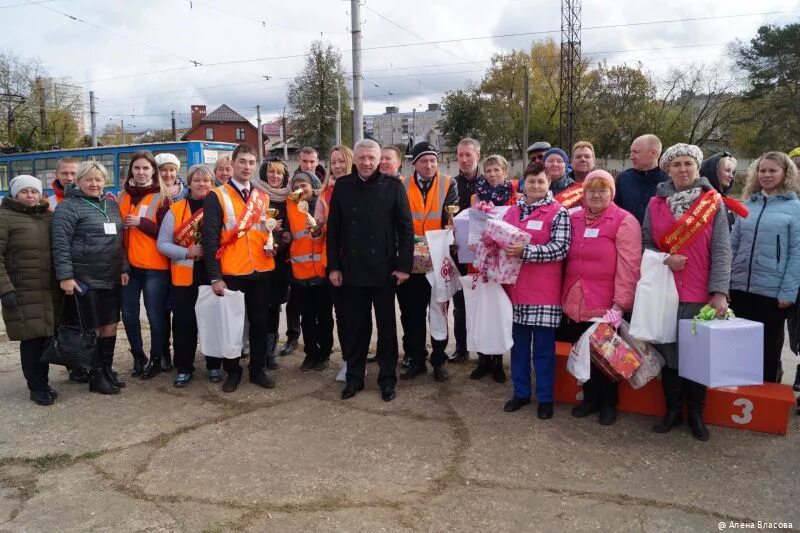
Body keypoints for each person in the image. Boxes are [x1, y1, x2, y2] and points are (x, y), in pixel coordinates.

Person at [642, 143, 731, 441]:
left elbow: (721, 249)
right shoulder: (655, 204)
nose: (682, 169)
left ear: (697, 168)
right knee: (671, 355)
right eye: (676, 164)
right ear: (667, 168)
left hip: (698, 291)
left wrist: (719, 291)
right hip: (666, 291)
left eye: (687, 164)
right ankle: (671, 412)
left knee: (696, 357)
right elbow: (646, 244)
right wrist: (664, 259)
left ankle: (695, 414)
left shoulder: (712, 201)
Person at [326, 139, 414, 402]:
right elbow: (334, 231)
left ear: (379, 160)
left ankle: (387, 378)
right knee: (356, 327)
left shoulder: (393, 187)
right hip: (352, 270)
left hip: (384, 270)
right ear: (356, 159)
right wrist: (334, 266)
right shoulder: (342, 186)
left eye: (371, 158)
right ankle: (354, 377)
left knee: (387, 328)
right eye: (361, 157)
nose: (366, 162)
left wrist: (403, 266)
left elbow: (405, 229)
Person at [561, 170, 642, 425]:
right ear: (583, 194)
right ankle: (589, 398)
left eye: (602, 189)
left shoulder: (624, 221)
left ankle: (609, 403)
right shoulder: (574, 219)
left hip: (606, 302)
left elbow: (630, 266)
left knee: (606, 357)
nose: (596, 195)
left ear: (612, 193)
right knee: (585, 353)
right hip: (575, 298)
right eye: (591, 190)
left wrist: (620, 304)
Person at [202, 143, 276, 393]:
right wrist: (215, 277)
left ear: (256, 167)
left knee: (259, 322)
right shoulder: (217, 195)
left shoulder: (262, 197)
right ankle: (232, 371)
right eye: (242, 161)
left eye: (251, 163)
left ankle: (257, 369)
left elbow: (265, 232)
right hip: (232, 272)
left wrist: (272, 243)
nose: (246, 167)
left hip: (261, 269)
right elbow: (210, 239)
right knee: (230, 325)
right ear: (232, 164)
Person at [52, 162, 129, 395]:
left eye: (98, 179)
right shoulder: (68, 208)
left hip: (111, 277)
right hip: (85, 279)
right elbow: (60, 244)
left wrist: (124, 268)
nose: (94, 184)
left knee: (110, 325)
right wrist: (65, 276)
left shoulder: (110, 204)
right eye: (89, 179)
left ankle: (105, 369)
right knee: (92, 328)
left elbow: (120, 241)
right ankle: (94, 375)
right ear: (79, 181)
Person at [502, 163, 571, 420]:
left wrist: (526, 252)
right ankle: (520, 393)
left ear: (548, 184)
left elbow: (560, 249)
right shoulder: (511, 212)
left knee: (542, 350)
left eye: (541, 182)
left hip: (544, 292)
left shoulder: (558, 212)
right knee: (518, 348)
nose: (536, 186)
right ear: (523, 184)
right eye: (531, 181)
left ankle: (545, 398)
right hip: (515, 290)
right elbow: (501, 240)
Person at [730, 152, 800, 384]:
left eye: (772, 170)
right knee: (738, 346)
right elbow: (732, 245)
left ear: (785, 173)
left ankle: (765, 396)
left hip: (772, 292)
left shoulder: (795, 209)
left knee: (768, 350)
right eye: (762, 170)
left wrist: (788, 293)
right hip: (740, 288)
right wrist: (724, 283)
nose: (766, 175)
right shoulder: (748, 204)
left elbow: (796, 255)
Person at [397, 141, 458, 383]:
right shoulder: (401, 185)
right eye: (424, 160)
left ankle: (439, 359)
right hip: (411, 261)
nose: (430, 164)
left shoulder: (447, 183)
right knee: (413, 313)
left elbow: (450, 216)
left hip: (438, 259)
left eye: (433, 160)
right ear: (414, 164)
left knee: (439, 312)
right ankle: (417, 359)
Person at [0, 175, 59, 405]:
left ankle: (42, 382)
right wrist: (5, 290)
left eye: (33, 192)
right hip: (22, 290)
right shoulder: (4, 218)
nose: (30, 196)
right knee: (31, 340)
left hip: (48, 290)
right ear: (15, 194)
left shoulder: (47, 217)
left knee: (46, 338)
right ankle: (36, 387)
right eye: (24, 192)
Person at [156, 164, 215, 387]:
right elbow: (162, 244)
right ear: (189, 183)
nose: (202, 184)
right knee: (184, 324)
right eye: (197, 180)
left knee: (212, 322)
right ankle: (184, 367)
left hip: (211, 273)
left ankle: (214, 364)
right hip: (184, 276)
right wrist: (187, 252)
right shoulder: (176, 209)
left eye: (206, 180)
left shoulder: (217, 206)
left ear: (212, 183)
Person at [467, 154, 521, 383]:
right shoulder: (475, 197)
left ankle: (498, 362)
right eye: (488, 170)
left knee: (499, 312)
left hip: (505, 262)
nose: (492, 174)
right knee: (482, 311)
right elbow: (471, 226)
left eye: (496, 170)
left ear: (505, 171)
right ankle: (483, 360)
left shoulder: (515, 197)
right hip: (481, 260)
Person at [117, 151, 171, 380]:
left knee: (155, 315)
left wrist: (142, 223)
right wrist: (121, 265)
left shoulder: (163, 197)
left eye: (145, 168)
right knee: (128, 314)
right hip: (129, 267)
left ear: (153, 172)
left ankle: (157, 358)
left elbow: (169, 234)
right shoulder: (121, 197)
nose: (140, 172)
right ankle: (138, 356)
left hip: (154, 266)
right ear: (131, 171)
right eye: (137, 168)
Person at [286, 171, 334, 371]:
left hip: (322, 273)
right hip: (300, 273)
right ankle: (310, 354)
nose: (300, 188)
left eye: (303, 184)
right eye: (296, 184)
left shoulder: (323, 204)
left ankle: (324, 354)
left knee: (324, 317)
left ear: (312, 186)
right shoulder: (289, 206)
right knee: (306, 317)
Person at [314, 146, 355, 377]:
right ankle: (348, 360)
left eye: (342, 161)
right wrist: (315, 230)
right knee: (342, 314)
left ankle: (359, 357)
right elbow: (319, 233)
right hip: (334, 261)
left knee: (357, 314)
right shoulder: (324, 194)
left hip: (358, 260)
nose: (337, 166)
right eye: (334, 162)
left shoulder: (361, 187)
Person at [280, 148, 321, 357]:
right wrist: (284, 234)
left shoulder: (320, 198)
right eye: (304, 161)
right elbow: (289, 227)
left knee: (319, 311)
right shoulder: (291, 196)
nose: (307, 164)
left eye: (311, 161)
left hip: (319, 265)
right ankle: (293, 337)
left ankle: (321, 347)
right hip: (296, 263)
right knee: (295, 305)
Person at [255, 157, 292, 370]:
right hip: (257, 261)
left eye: (279, 173)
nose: (275, 177)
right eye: (271, 172)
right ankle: (258, 348)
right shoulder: (255, 195)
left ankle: (270, 351)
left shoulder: (289, 199)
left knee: (273, 307)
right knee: (259, 307)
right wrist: (266, 228)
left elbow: (290, 231)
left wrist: (278, 243)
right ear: (264, 174)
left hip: (278, 263)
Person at [450, 137, 483, 365]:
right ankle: (461, 349)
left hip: (483, 257)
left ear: (477, 156)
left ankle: (484, 353)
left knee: (483, 305)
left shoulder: (490, 182)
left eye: (468, 155)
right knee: (459, 305)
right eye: (460, 155)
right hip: (458, 254)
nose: (463, 160)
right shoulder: (451, 184)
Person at [155, 152, 187, 373]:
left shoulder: (186, 194)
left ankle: (180, 354)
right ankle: (163, 352)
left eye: (172, 170)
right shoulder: (152, 195)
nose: (168, 174)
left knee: (180, 310)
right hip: (158, 261)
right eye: (164, 170)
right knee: (162, 311)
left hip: (181, 261)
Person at [614, 134, 669, 225]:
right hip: (627, 236)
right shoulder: (623, 179)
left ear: (653, 153)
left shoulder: (669, 181)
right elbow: (614, 211)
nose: (631, 157)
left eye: (636, 152)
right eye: (631, 152)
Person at [699, 151, 745, 229]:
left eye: (733, 172)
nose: (731, 176)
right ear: (714, 171)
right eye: (727, 171)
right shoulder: (702, 201)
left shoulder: (723, 201)